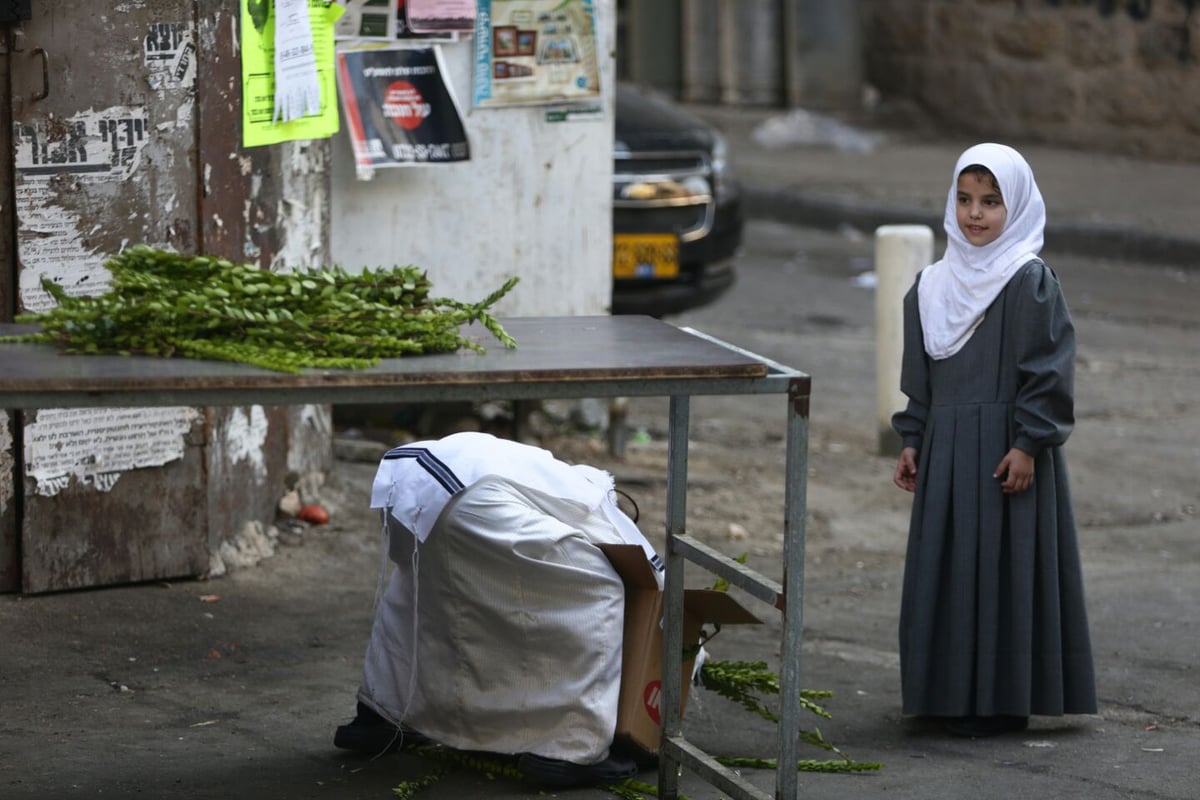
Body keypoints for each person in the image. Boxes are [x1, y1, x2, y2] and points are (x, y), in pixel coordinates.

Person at [890, 143, 1098, 738]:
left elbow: (1048, 371)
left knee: (1009, 568)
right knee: (948, 565)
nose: (974, 214)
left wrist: (1031, 443)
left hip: (1007, 454)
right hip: (949, 454)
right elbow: (920, 378)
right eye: (963, 199)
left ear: (1019, 206)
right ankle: (944, 695)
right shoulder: (930, 288)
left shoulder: (1029, 282)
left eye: (990, 201)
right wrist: (914, 439)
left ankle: (1004, 699)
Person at [334, 431, 662, 786]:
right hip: (465, 493)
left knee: (422, 582)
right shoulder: (606, 511)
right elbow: (657, 588)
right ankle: (572, 750)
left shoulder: (551, 474)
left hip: (405, 478)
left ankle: (379, 715)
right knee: (598, 586)